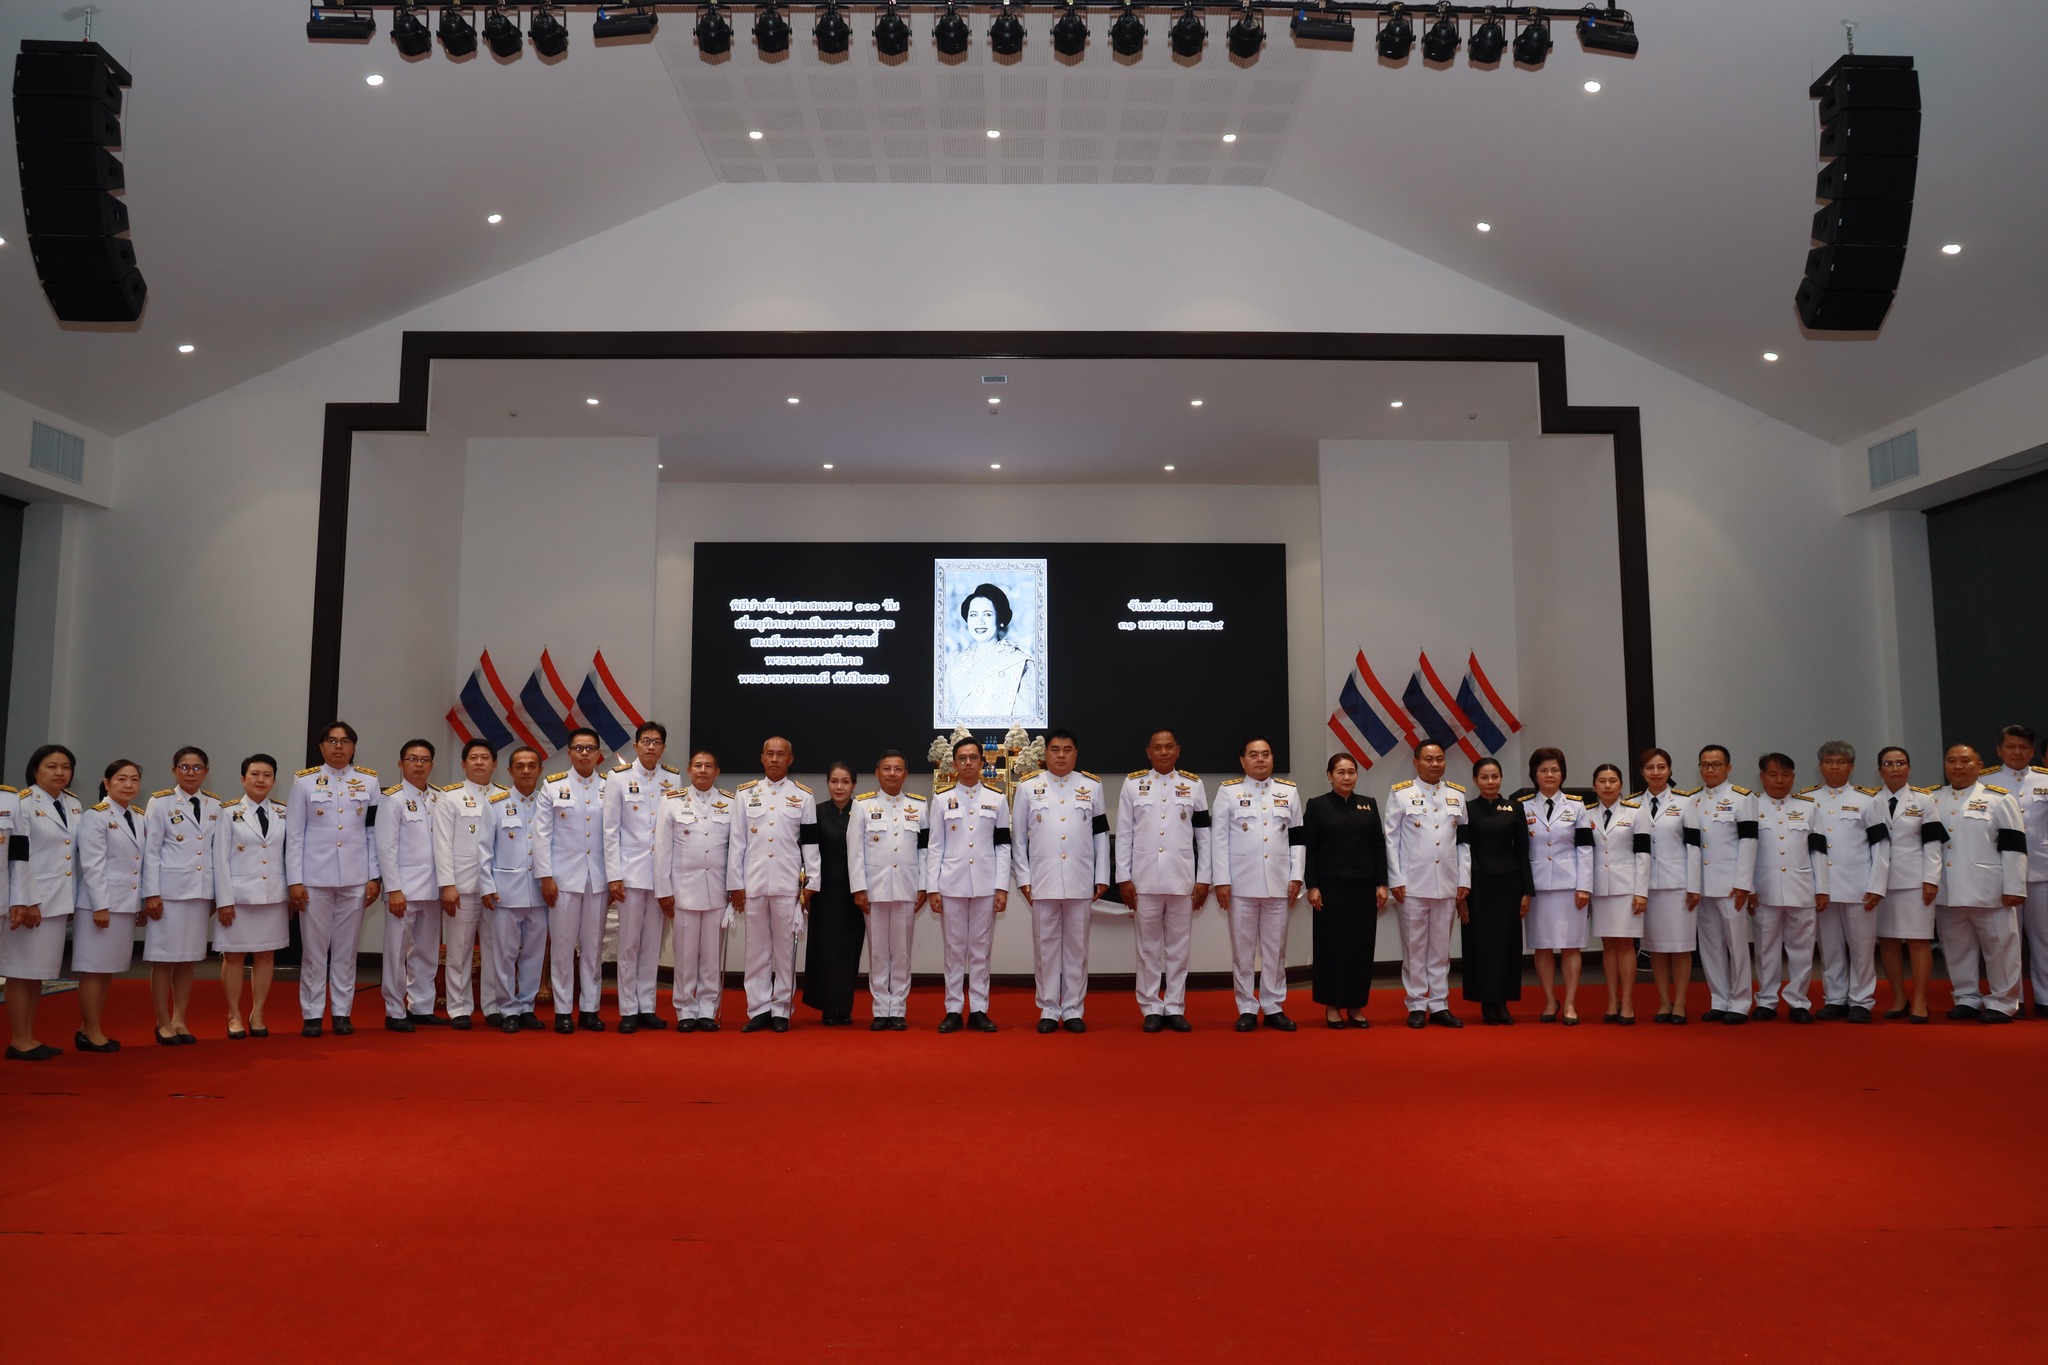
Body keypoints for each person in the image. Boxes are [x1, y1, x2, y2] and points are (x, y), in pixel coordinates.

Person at [285, 720, 382, 1037]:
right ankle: (312, 1014)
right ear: (321, 746)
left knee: (346, 950)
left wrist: (373, 876)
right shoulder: (304, 783)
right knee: (314, 951)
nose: (338, 746)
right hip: (315, 878)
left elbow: (372, 832)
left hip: (355, 878)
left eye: (345, 741)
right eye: (332, 740)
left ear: (354, 746)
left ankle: (342, 1013)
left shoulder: (369, 782)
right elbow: (295, 834)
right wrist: (295, 880)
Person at [1013, 729, 1111, 1033]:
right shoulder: (1029, 787)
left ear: (1076, 754)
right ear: (1045, 754)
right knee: (1045, 948)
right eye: (1055, 749)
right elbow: (1018, 839)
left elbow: (1101, 835)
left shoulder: (1091, 786)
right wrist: (1023, 879)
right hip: (1042, 881)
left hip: (1080, 879)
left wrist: (1102, 875)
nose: (1061, 755)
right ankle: (1047, 1009)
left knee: (1077, 949)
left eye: (1067, 750)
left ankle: (1072, 1009)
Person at [1116, 728, 1210, 1033]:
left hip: (1182, 878)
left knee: (1179, 948)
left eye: (1169, 747)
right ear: (1148, 752)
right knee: (1147, 948)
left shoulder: (1193, 785)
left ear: (1178, 750)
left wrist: (1205, 877)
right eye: (1158, 747)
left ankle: (1175, 1006)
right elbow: (1124, 835)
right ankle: (1151, 1008)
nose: (1164, 752)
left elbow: (1204, 836)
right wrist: (1124, 877)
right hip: (1143, 880)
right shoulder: (1133, 785)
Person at [1925, 742, 2027, 1023]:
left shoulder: (1998, 798)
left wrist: (2015, 887)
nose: (1958, 766)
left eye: (1965, 761)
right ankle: (1966, 998)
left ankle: (2003, 1002)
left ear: (1979, 766)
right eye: (1952, 761)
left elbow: (2014, 845)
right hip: (1948, 889)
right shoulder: (1932, 798)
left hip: (1990, 889)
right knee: (1957, 949)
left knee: (2001, 948)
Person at [1213, 735, 1304, 1032]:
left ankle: (1273, 1005)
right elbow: (1219, 841)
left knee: (1276, 950)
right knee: (1243, 950)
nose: (1261, 759)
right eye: (1254, 754)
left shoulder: (1288, 792)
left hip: (1279, 883)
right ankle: (1247, 1007)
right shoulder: (1228, 792)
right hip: (1240, 885)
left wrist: (1296, 875)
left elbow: (1298, 839)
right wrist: (1222, 881)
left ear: (1273, 759)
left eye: (1266, 754)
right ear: (1243, 761)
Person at [733, 735, 820, 1033]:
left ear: (790, 760)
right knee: (756, 950)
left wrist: (811, 882)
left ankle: (782, 1008)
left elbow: (810, 845)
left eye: (780, 754)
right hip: (754, 883)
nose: (774, 759)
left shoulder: (803, 797)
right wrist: (736, 884)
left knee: (786, 951)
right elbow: (737, 844)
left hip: (787, 884)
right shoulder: (744, 795)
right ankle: (758, 1009)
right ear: (761, 758)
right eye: (769, 753)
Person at [653, 748, 744, 1033]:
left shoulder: (731, 803)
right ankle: (684, 1009)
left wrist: (735, 887)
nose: (703, 770)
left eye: (709, 766)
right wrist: (663, 890)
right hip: (683, 891)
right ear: (689, 771)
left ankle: (707, 1008)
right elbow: (662, 849)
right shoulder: (671, 801)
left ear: (717, 772)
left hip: (717, 891)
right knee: (685, 955)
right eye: (698, 765)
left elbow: (736, 849)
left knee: (710, 956)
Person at [5, 746, 85, 1061]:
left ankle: (28, 1036)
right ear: (35, 769)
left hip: (58, 899)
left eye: (66, 766)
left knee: (35, 973)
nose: (60, 773)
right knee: (19, 971)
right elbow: (18, 856)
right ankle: (18, 1039)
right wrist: (26, 900)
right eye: (51, 766)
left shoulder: (73, 804)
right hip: (30, 903)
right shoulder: (22, 803)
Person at [927, 736, 1011, 1033]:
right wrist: (932, 888)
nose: (967, 763)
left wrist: (1002, 887)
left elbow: (1003, 847)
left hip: (986, 885)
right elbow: (935, 846)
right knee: (954, 950)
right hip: (951, 885)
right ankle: (952, 1008)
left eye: (973, 758)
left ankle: (978, 1009)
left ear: (982, 762)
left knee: (980, 949)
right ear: (954, 764)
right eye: (961, 758)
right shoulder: (940, 800)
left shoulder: (997, 799)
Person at [605, 721, 683, 1035]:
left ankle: (646, 1006)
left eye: (657, 742)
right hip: (630, 873)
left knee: (652, 944)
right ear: (636, 746)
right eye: (645, 741)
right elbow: (610, 830)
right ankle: (627, 1009)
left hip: (661, 876)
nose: (651, 747)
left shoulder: (673, 778)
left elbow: (676, 830)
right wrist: (614, 875)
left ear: (663, 748)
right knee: (629, 944)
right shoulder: (618, 778)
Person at [1386, 740, 1470, 1029]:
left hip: (1446, 883)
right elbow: (1391, 839)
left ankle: (1439, 1003)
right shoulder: (1401, 794)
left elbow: (1463, 843)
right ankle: (1417, 1003)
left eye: (1440, 759)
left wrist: (1464, 879)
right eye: (1429, 759)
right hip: (1412, 883)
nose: (1435, 764)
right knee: (1414, 946)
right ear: (1416, 762)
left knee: (1440, 948)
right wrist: (1395, 878)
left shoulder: (1457, 795)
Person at [140, 747, 222, 1044]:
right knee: (163, 960)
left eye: (197, 768)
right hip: (169, 894)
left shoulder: (214, 804)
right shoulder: (160, 803)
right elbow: (150, 852)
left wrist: (216, 895)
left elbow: (216, 853)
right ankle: (162, 1021)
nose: (191, 773)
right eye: (185, 767)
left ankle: (180, 1020)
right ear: (174, 770)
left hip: (200, 892)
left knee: (188, 960)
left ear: (206, 771)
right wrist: (151, 893)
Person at [1304, 753, 1389, 1028]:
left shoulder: (1368, 805)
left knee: (1360, 948)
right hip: (1330, 889)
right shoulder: (1317, 806)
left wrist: (1382, 883)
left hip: (1363, 888)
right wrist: (1313, 885)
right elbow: (1310, 850)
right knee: (1332, 947)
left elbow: (1378, 846)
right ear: (1329, 775)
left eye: (1351, 772)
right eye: (1340, 772)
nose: (1346, 777)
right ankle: (1332, 1005)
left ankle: (1355, 1005)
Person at [534, 728, 608, 1030]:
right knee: (563, 946)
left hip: (599, 878)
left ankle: (590, 1009)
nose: (584, 753)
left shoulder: (609, 786)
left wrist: (615, 877)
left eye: (590, 748)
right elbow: (541, 836)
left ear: (598, 752)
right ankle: (563, 1010)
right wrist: (546, 876)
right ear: (569, 753)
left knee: (593, 947)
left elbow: (615, 834)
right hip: (563, 879)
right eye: (578, 748)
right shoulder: (552, 787)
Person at [848, 750, 927, 1031]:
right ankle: (881, 1008)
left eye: (898, 769)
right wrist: (859, 888)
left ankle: (899, 1009)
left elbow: (925, 850)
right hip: (875, 890)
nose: (892, 773)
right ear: (877, 772)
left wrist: (924, 885)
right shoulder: (862, 805)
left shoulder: (919, 806)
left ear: (906, 774)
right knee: (879, 952)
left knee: (902, 953)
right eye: (887, 769)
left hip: (907, 888)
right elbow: (854, 850)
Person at [213, 754, 290, 1039]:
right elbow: (219, 859)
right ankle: (233, 1014)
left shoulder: (284, 812)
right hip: (239, 898)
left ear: (274, 780)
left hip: (273, 896)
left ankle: (257, 1013)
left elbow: (289, 855)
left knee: (266, 956)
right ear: (243, 778)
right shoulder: (227, 812)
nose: (261, 780)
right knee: (233, 956)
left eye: (267, 775)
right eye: (255, 774)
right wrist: (224, 900)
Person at [1807, 740, 1882, 1022]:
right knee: (1830, 946)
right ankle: (1835, 997)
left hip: (1859, 885)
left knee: (1862, 946)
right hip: (1823, 887)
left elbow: (1881, 847)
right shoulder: (1808, 800)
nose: (1834, 766)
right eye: (1828, 761)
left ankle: (1862, 1000)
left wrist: (1877, 884)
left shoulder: (1868, 800)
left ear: (1851, 766)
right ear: (1820, 766)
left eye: (1840, 762)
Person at [1683, 744, 1758, 1025]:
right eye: (1704, 764)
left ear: (1728, 767)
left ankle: (1740, 1002)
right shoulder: (1692, 801)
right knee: (1711, 945)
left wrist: (1744, 884)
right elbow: (1692, 847)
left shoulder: (1742, 798)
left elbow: (1749, 842)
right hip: (1702, 886)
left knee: (1737, 946)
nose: (1709, 770)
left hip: (1731, 886)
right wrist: (1693, 885)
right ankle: (1719, 999)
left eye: (1716, 764)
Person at [479, 746, 551, 1033]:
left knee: (533, 954)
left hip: (540, 893)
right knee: (505, 954)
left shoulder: (549, 803)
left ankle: (527, 1006)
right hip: (505, 893)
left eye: (531, 765)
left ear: (540, 770)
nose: (525, 771)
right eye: (519, 766)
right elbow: (484, 849)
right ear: (509, 771)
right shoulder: (495, 803)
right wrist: (486, 885)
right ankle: (507, 1007)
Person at [1750, 753, 1826, 1023]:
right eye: (1773, 774)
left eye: (1785, 775)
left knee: (1802, 948)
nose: (1779, 780)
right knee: (1765, 949)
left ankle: (1798, 1002)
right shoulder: (1751, 806)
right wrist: (1748, 887)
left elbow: (1819, 850)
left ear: (1793, 777)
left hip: (1802, 887)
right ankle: (1767, 1001)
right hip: (1764, 889)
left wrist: (1822, 887)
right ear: (1762, 777)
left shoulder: (1809, 807)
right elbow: (1745, 852)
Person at [76, 758, 146, 1050]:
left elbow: (139, 864)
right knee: (93, 968)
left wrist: (140, 901)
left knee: (105, 970)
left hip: (124, 904)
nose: (128, 784)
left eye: (133, 779)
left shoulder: (138, 817)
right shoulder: (95, 816)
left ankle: (88, 1028)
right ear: (106, 783)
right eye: (121, 779)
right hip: (100, 905)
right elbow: (92, 865)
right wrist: (100, 906)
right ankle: (91, 1031)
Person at [375, 739, 443, 1033]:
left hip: (434, 887)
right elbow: (385, 847)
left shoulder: (441, 797)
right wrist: (393, 889)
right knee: (396, 951)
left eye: (424, 759)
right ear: (400, 764)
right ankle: (394, 1009)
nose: (419, 764)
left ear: (431, 765)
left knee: (427, 951)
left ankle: (422, 1006)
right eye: (412, 759)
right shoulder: (392, 798)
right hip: (403, 889)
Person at [1455, 757, 1529, 1026]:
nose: (1490, 782)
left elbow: (1522, 851)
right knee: (1482, 946)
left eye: (1495, 776)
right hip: (1478, 887)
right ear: (1475, 780)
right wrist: (1460, 891)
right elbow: (1460, 850)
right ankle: (1487, 1002)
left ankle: (1503, 1002)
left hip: (1509, 885)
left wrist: (1526, 891)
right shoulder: (1467, 809)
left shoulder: (1514, 808)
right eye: (1484, 777)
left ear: (1501, 778)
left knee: (1508, 945)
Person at [433, 738, 502, 1028]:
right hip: (463, 886)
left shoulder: (504, 797)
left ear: (495, 764)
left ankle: (493, 1005)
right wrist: (448, 884)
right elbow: (442, 844)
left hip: (498, 889)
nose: (479, 762)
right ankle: (459, 1007)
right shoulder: (450, 797)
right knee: (459, 950)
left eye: (485, 757)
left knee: (496, 949)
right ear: (463, 764)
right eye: (473, 758)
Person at [1866, 747, 1936, 1022]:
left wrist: (1931, 878)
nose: (1895, 768)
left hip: (1914, 881)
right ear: (1880, 770)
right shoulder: (1871, 801)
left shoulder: (1924, 800)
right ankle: (1898, 997)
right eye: (1888, 763)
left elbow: (1932, 843)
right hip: (1881, 883)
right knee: (1888, 941)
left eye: (1900, 763)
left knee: (1919, 941)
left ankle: (1920, 999)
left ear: (1908, 767)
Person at [1523, 748, 1591, 1025]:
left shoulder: (1577, 806)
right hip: (1538, 887)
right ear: (1534, 775)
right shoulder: (1523, 806)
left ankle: (1571, 1003)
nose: (1549, 775)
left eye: (1554, 770)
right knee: (1542, 947)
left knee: (1571, 946)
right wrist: (1524, 889)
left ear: (1562, 774)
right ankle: (1550, 1000)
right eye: (1543, 770)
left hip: (1569, 885)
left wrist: (1584, 886)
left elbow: (1586, 849)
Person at [1988, 724, 2048, 1017]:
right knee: (2005, 940)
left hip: (2041, 871)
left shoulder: (2045, 780)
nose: (2017, 752)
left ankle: (2046, 997)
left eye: (2023, 747)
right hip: (2001, 874)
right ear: (1999, 749)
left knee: (2045, 938)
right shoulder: (1985, 782)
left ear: (2032, 750)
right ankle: (2012, 999)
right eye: (2010, 746)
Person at [1632, 748, 1695, 1024]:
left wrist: (1695, 884)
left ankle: (1680, 1002)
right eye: (1649, 768)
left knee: (1681, 947)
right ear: (1642, 772)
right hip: (1649, 887)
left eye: (1661, 767)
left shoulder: (1687, 802)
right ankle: (1664, 1002)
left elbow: (1694, 847)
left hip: (1678, 883)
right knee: (1655, 947)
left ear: (1669, 770)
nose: (1655, 773)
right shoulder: (1632, 804)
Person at [1584, 762, 1649, 1024]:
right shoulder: (1586, 813)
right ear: (1594, 786)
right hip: (1600, 888)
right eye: (1602, 781)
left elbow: (1643, 854)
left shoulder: (1637, 812)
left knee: (1625, 945)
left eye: (1612, 780)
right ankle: (1612, 1000)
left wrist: (1641, 891)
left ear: (1621, 784)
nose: (1607, 785)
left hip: (1627, 888)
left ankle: (1628, 1002)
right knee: (1608, 945)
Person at [802, 761, 865, 1026]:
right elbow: (805, 853)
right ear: (827, 783)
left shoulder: (862, 812)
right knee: (824, 951)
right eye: (834, 782)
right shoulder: (815, 813)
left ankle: (844, 1006)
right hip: (824, 893)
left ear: (854, 784)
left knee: (849, 952)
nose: (839, 787)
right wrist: (806, 887)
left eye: (845, 782)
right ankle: (828, 1007)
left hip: (854, 894)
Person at [946, 581, 1037, 720]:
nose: (979, 622)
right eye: (973, 615)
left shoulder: (1019, 663)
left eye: (987, 614)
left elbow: (1026, 722)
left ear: (1000, 619)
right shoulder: (956, 662)